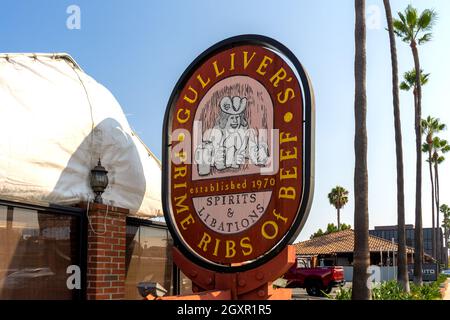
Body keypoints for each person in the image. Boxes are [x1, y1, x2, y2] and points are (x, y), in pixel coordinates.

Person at [196, 96, 268, 176]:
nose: (235, 121)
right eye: (232, 118)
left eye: (237, 117)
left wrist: (260, 153)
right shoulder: (217, 132)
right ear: (225, 119)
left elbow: (252, 152)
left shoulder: (245, 132)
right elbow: (213, 158)